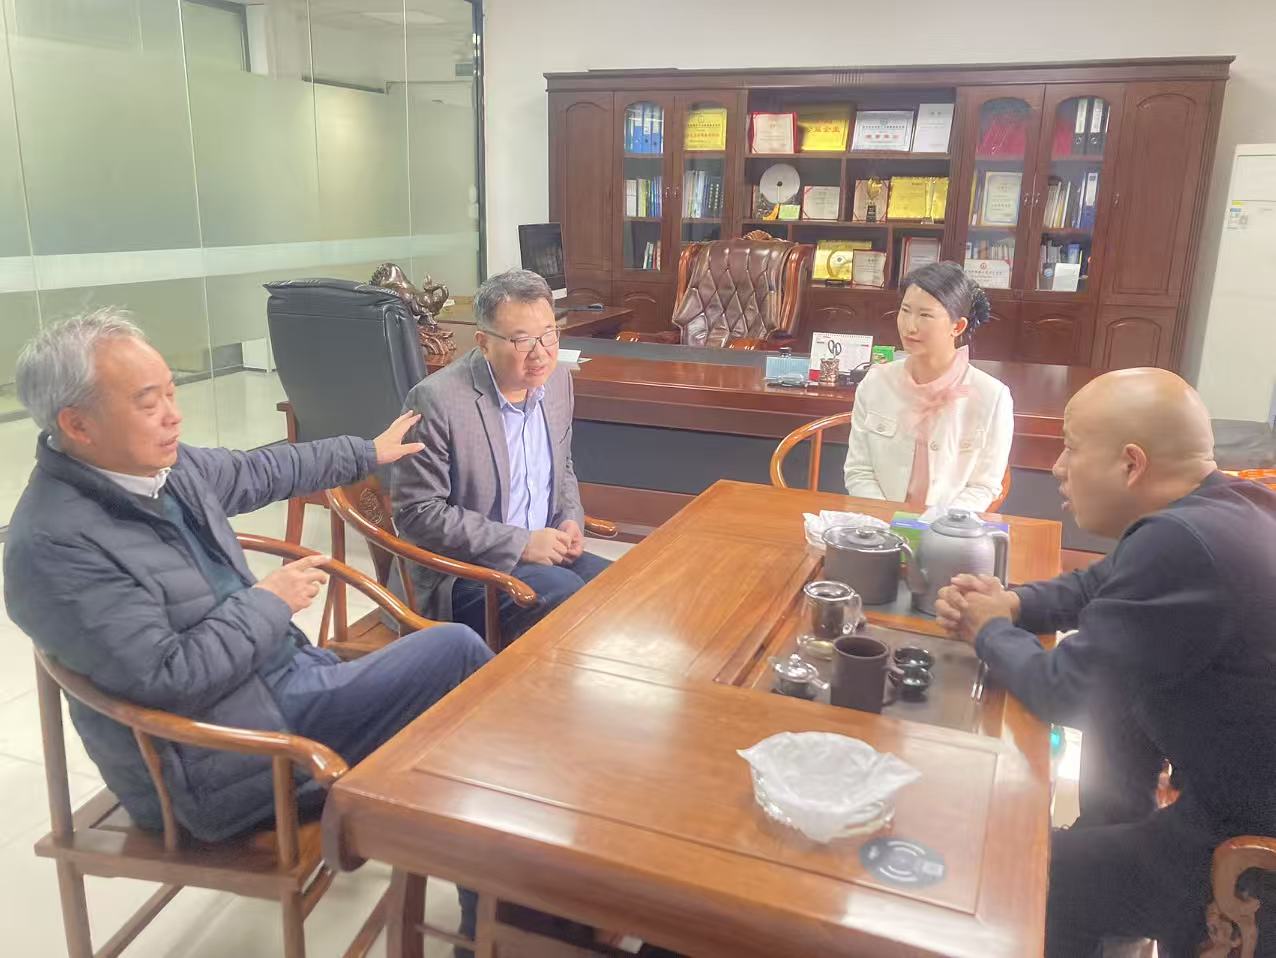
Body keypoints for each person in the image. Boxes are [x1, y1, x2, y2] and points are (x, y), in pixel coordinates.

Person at [3, 309, 494, 847]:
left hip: (271, 687)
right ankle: (502, 868)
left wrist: (365, 453)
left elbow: (260, 470)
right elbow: (167, 679)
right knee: (457, 656)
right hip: (222, 757)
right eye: (148, 403)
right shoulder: (52, 547)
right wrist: (269, 603)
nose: (173, 416)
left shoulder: (161, 470)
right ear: (77, 425)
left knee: (457, 714)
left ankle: (470, 856)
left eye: (172, 393)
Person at [934, 368, 1276, 957]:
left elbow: (1066, 691)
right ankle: (1109, 867)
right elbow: (1098, 586)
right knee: (1121, 717)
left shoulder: (1180, 544)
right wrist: (1012, 603)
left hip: (1242, 844)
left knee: (1027, 868)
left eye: (1070, 447)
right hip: (1231, 794)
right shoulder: (1228, 506)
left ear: (1130, 464)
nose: (1057, 467)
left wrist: (986, 629)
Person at [392, 269, 610, 641]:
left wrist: (569, 518)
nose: (540, 353)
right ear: (483, 342)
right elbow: (417, 513)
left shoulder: (558, 381)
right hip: (464, 570)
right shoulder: (438, 400)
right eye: (522, 340)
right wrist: (520, 543)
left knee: (620, 586)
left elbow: (563, 465)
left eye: (549, 335)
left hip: (545, 551)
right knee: (568, 599)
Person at [843, 261, 1013, 510]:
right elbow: (859, 471)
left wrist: (936, 526)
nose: (910, 326)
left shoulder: (992, 396)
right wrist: (889, 520)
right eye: (905, 310)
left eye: (925, 315)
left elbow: (983, 486)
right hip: (880, 523)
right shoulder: (876, 383)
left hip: (948, 529)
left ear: (957, 326)